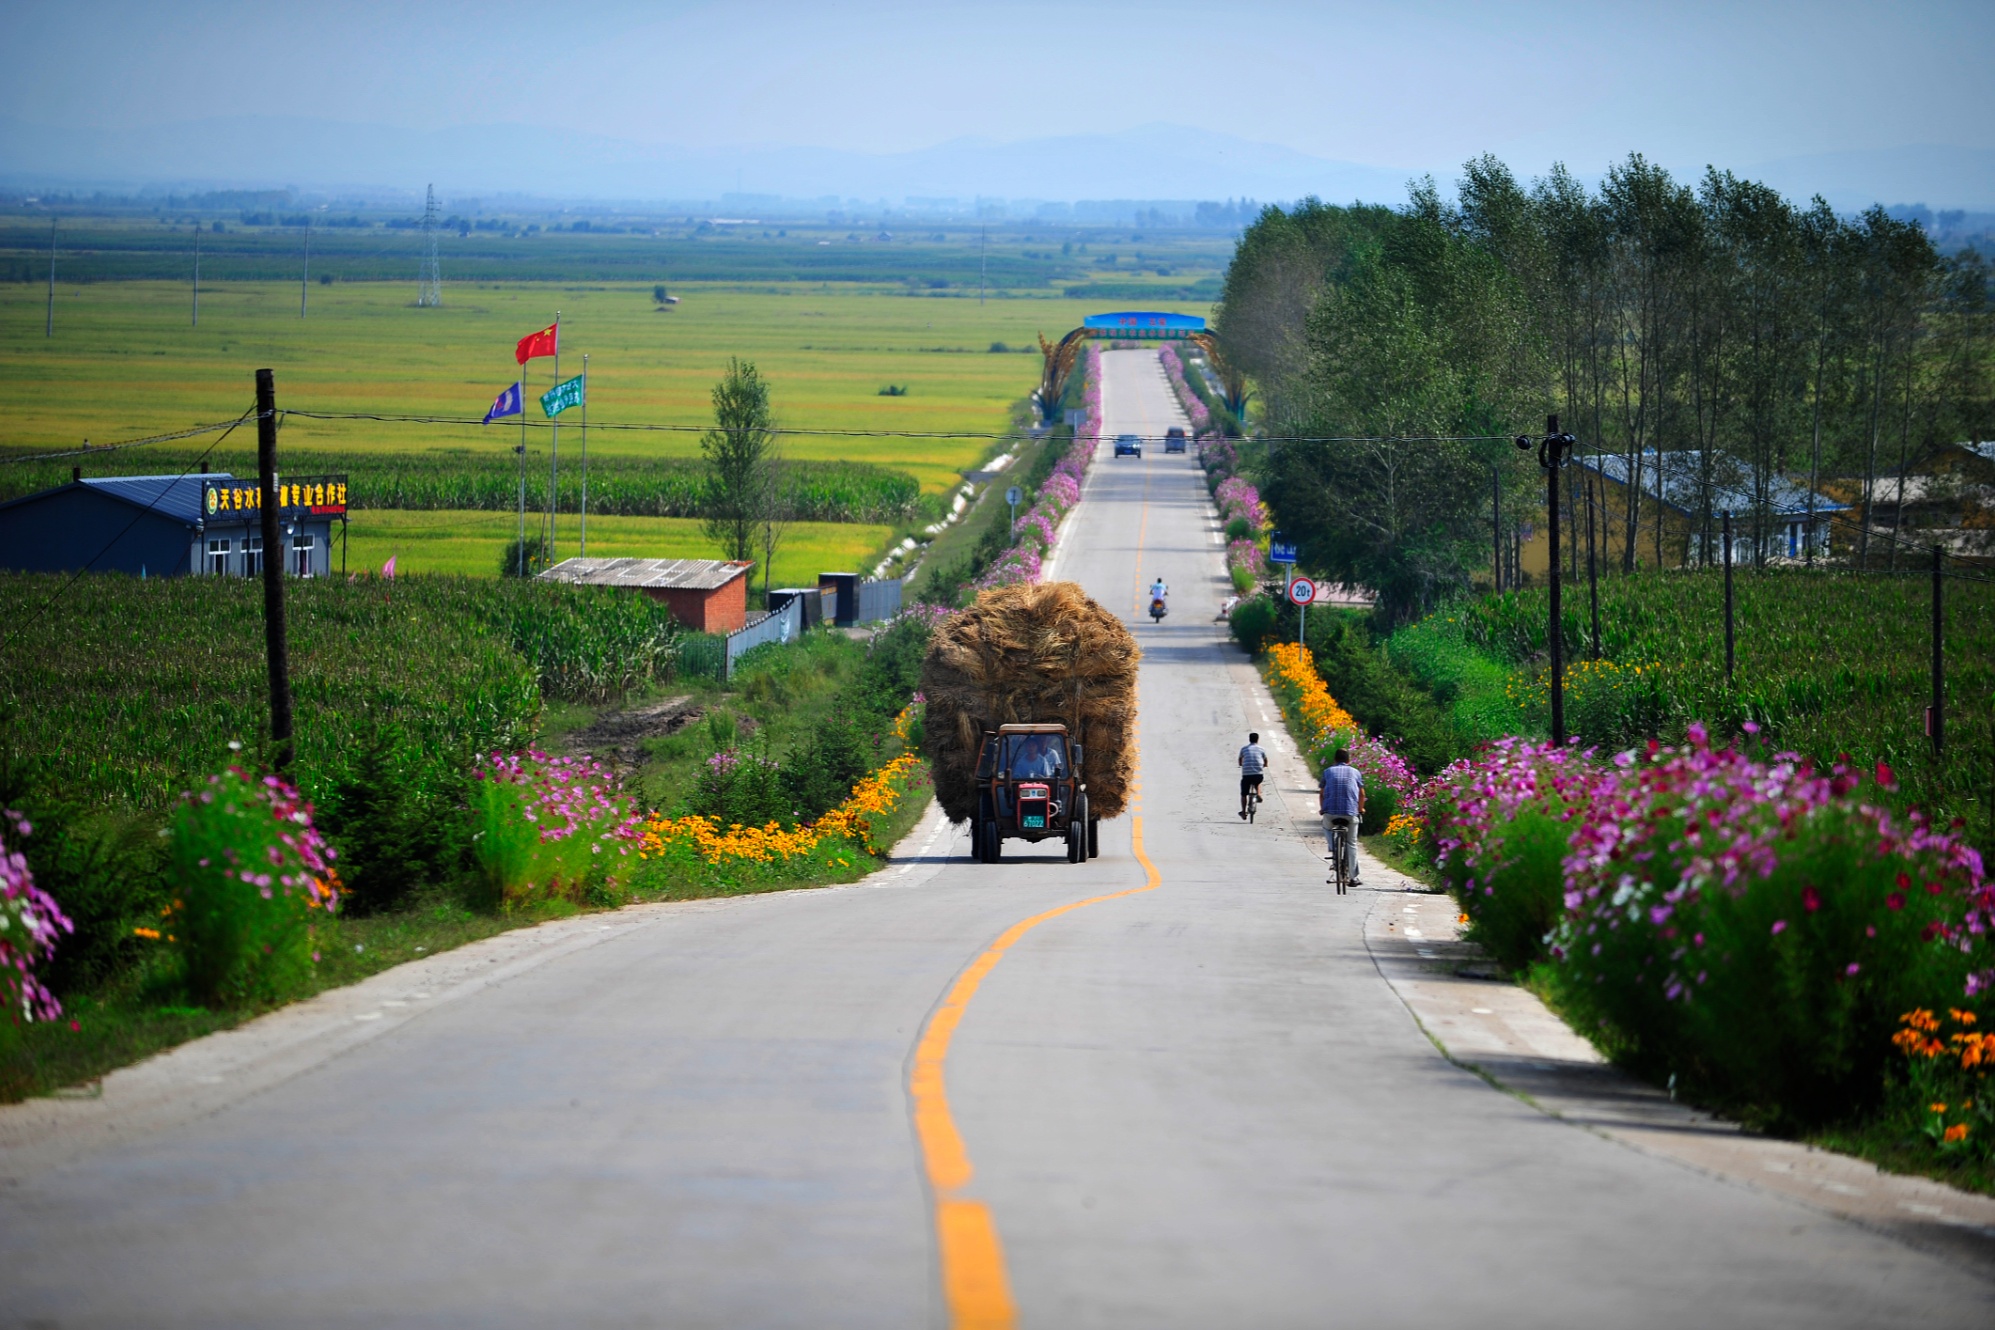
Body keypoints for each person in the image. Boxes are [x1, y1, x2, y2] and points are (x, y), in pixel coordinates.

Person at [1319, 748, 1364, 886]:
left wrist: (1322, 809)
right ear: (1348, 760)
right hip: (1350, 813)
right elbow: (1362, 794)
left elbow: (1321, 793)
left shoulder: (1327, 772)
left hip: (1331, 813)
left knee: (1326, 826)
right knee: (1351, 843)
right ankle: (1353, 878)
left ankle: (1333, 848)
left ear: (1335, 760)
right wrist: (1360, 809)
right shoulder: (1356, 772)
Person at [1237, 731, 1268, 819]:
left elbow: (1240, 760)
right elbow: (1265, 760)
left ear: (1249, 739)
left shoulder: (1244, 749)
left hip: (1246, 774)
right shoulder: (1261, 749)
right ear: (1257, 739)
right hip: (1258, 774)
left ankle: (1243, 812)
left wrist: (1242, 764)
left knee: (1244, 794)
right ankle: (1258, 794)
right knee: (1258, 782)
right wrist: (1265, 765)